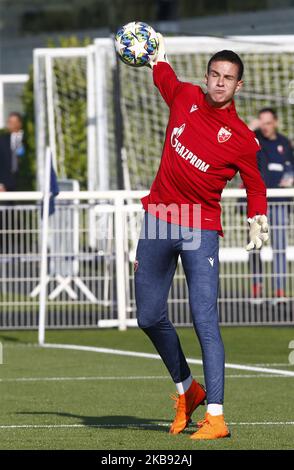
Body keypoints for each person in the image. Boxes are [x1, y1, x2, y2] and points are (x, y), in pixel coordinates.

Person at [134, 34, 269, 440]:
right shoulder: (183, 96)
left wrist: (257, 217)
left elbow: (255, 183)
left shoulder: (243, 137)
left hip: (200, 225)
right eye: (215, 74)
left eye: (229, 77)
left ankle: (216, 416)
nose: (220, 82)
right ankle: (187, 389)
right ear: (206, 77)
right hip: (159, 217)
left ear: (238, 85)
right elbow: (162, 71)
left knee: (204, 318)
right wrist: (155, 54)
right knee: (148, 316)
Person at [249, 108, 294, 303]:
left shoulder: (285, 143)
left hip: (279, 203)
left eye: (268, 123)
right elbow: (238, 139)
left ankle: (279, 290)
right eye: (262, 123)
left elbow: (291, 168)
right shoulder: (254, 139)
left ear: (275, 122)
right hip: (258, 203)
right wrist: (252, 128)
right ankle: (256, 289)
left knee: (280, 247)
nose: (265, 127)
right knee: (256, 244)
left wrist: (289, 178)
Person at [0, 112, 25, 192]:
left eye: (13, 122)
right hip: (5, 184)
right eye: (9, 122)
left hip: (25, 183)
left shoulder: (28, 139)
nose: (10, 125)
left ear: (19, 124)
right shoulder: (2, 140)